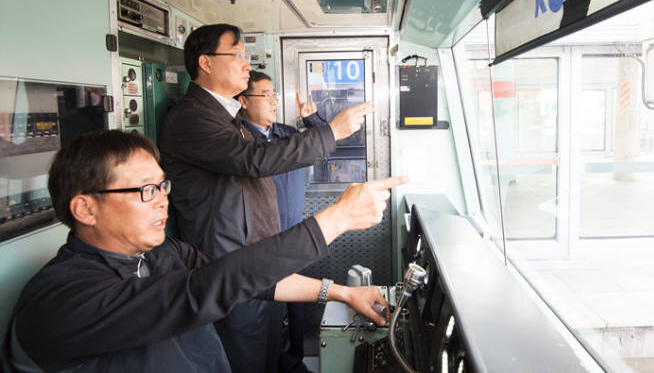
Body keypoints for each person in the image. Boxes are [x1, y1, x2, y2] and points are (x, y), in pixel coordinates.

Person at [2, 130, 405, 373]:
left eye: (162, 187)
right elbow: (203, 291)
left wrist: (342, 293)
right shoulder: (60, 301)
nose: (161, 201)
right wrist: (336, 219)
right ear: (85, 208)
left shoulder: (163, 254)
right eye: (145, 190)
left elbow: (248, 280)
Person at [158, 24, 375, 372]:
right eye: (238, 55)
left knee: (272, 352)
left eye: (247, 56)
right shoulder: (191, 119)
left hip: (257, 264)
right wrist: (332, 130)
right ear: (206, 62)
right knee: (247, 360)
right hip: (228, 270)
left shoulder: (228, 120)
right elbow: (255, 161)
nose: (247, 63)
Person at [238, 71, 326, 369]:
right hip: (260, 241)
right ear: (243, 101)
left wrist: (313, 120)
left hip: (292, 234)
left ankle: (293, 361)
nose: (273, 101)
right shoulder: (238, 142)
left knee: (295, 308)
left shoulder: (286, 134)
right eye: (266, 95)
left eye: (274, 95)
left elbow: (326, 143)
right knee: (268, 314)